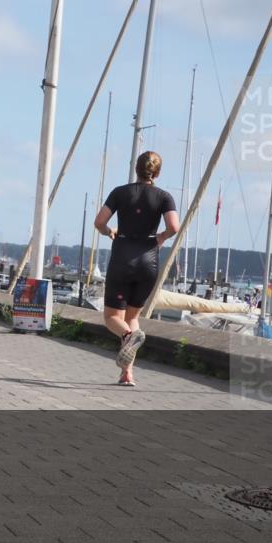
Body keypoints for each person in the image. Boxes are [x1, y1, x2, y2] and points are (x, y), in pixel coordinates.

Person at [93, 151, 179, 387]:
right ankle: (127, 374)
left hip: (123, 256)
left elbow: (99, 221)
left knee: (112, 317)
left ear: (136, 169)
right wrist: (160, 237)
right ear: (157, 172)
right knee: (133, 317)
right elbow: (174, 226)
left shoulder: (120, 192)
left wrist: (109, 232)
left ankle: (129, 337)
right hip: (148, 260)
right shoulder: (164, 196)